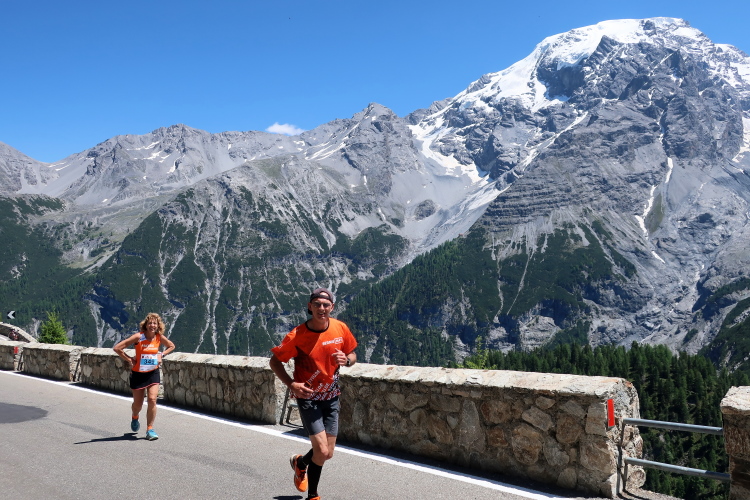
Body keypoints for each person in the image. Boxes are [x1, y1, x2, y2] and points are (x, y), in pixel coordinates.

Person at [269, 288, 358, 500]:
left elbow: (352, 354)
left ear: (332, 307)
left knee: (327, 453)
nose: (321, 308)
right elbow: (274, 362)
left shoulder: (340, 328)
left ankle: (300, 463)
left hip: (332, 397)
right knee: (321, 451)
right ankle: (313, 495)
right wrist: (292, 384)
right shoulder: (297, 335)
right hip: (308, 398)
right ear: (310, 306)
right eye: (317, 304)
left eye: (325, 305)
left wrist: (347, 361)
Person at [113, 312, 175, 440]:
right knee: (138, 404)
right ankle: (135, 416)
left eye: (155, 323)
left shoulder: (159, 337)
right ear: (146, 325)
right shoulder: (139, 337)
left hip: (153, 372)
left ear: (158, 326)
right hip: (138, 374)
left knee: (152, 399)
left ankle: (150, 429)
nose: (152, 325)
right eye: (150, 323)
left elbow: (171, 346)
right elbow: (117, 348)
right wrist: (129, 359)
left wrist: (161, 355)